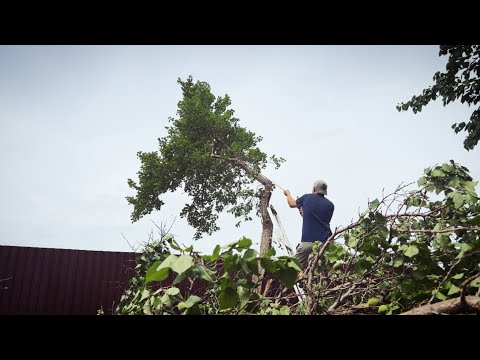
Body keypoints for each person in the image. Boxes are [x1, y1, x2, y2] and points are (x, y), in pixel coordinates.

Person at [283, 179, 334, 270]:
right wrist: (304, 213)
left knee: (293, 270)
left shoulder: (306, 198)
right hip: (324, 244)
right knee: (323, 271)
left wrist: (288, 194)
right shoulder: (330, 205)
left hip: (307, 243)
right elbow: (322, 221)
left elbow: (291, 203)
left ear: (314, 189)